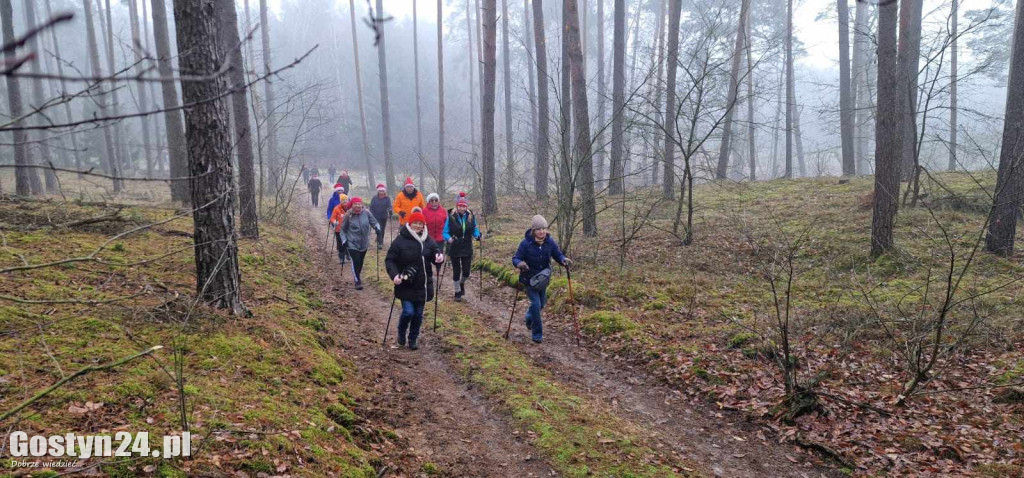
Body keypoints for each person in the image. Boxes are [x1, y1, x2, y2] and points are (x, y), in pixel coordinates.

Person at [385, 211, 444, 350]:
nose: (418, 226)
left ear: (423, 225)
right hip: (405, 283)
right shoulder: (400, 240)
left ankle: (412, 339)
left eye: (420, 223)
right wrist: (394, 276)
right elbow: (390, 260)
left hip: (423, 284)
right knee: (408, 312)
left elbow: (436, 252)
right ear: (410, 224)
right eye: (415, 223)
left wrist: (438, 258)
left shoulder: (427, 239)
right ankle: (401, 333)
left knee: (418, 314)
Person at [512, 215, 571, 344]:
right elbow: (515, 258)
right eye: (539, 229)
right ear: (533, 230)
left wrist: (563, 260)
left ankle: (529, 317)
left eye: (544, 228)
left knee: (541, 305)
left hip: (543, 279)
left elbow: (557, 254)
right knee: (536, 304)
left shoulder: (550, 242)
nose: (542, 231)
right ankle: (537, 333)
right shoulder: (525, 243)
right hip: (529, 279)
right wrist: (520, 264)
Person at [442, 192, 480, 302]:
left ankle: (462, 283)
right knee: (456, 270)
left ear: (466, 206)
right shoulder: (451, 216)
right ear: (457, 206)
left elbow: (474, 229)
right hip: (454, 246)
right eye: (460, 206)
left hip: (467, 246)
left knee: (467, 272)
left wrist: (477, 235)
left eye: (464, 206)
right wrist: (449, 238)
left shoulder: (471, 216)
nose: (462, 208)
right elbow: (445, 232)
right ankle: (457, 291)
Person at [338, 197, 380, 290]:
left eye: (359, 204)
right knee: (355, 261)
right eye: (355, 204)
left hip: (364, 243)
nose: (357, 205)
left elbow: (374, 222)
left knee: (360, 263)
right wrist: (344, 240)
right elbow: (342, 230)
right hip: (352, 242)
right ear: (352, 205)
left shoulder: (367, 213)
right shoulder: (348, 215)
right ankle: (357, 281)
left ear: (362, 204)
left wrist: (377, 228)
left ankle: (357, 275)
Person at [329, 194, 350, 265]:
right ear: (340, 201)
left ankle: (348, 253)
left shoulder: (350, 208)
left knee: (348, 242)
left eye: (346, 200)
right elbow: (332, 218)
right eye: (343, 201)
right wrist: (334, 222)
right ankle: (341, 257)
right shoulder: (336, 208)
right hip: (339, 229)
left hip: (349, 229)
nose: (345, 202)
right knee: (340, 244)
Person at [369, 183, 391, 250]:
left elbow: (389, 206)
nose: (381, 192)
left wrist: (390, 210)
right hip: (376, 216)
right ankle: (380, 243)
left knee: (382, 229)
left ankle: (381, 239)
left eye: (383, 191)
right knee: (378, 229)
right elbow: (371, 207)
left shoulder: (387, 198)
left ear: (385, 192)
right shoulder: (374, 198)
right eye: (380, 191)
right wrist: (371, 214)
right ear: (378, 191)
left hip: (384, 216)